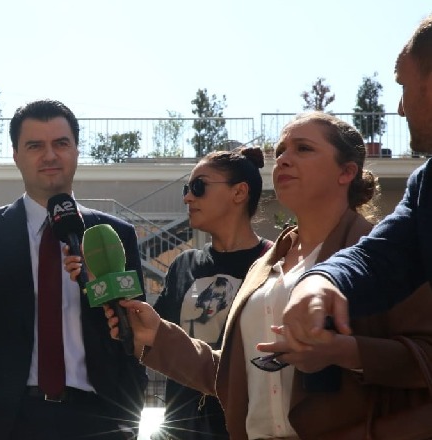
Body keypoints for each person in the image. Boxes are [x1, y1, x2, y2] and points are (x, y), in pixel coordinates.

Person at [79, 112, 432, 439]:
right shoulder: (264, 267)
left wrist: (344, 352)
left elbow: (426, 354)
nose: (283, 159)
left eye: (303, 148)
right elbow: (235, 377)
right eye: (280, 151)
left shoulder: (386, 255)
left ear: (347, 172)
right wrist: (157, 335)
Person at [0, 99, 147, 440]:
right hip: (5, 423)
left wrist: (130, 420)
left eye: (61, 143)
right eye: (35, 146)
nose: (50, 156)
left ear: (76, 151)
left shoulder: (113, 235)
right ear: (16, 155)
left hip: (98, 421)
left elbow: (136, 338)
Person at [281, 13, 432, 352]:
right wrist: (321, 280)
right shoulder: (425, 187)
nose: (400, 109)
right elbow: (378, 259)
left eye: (403, 86)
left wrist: (354, 355)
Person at [150, 147, 272, 439]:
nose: (188, 198)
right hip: (181, 428)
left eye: (199, 186)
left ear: (239, 193)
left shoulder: (274, 264)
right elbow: (156, 338)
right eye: (186, 189)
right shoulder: (183, 264)